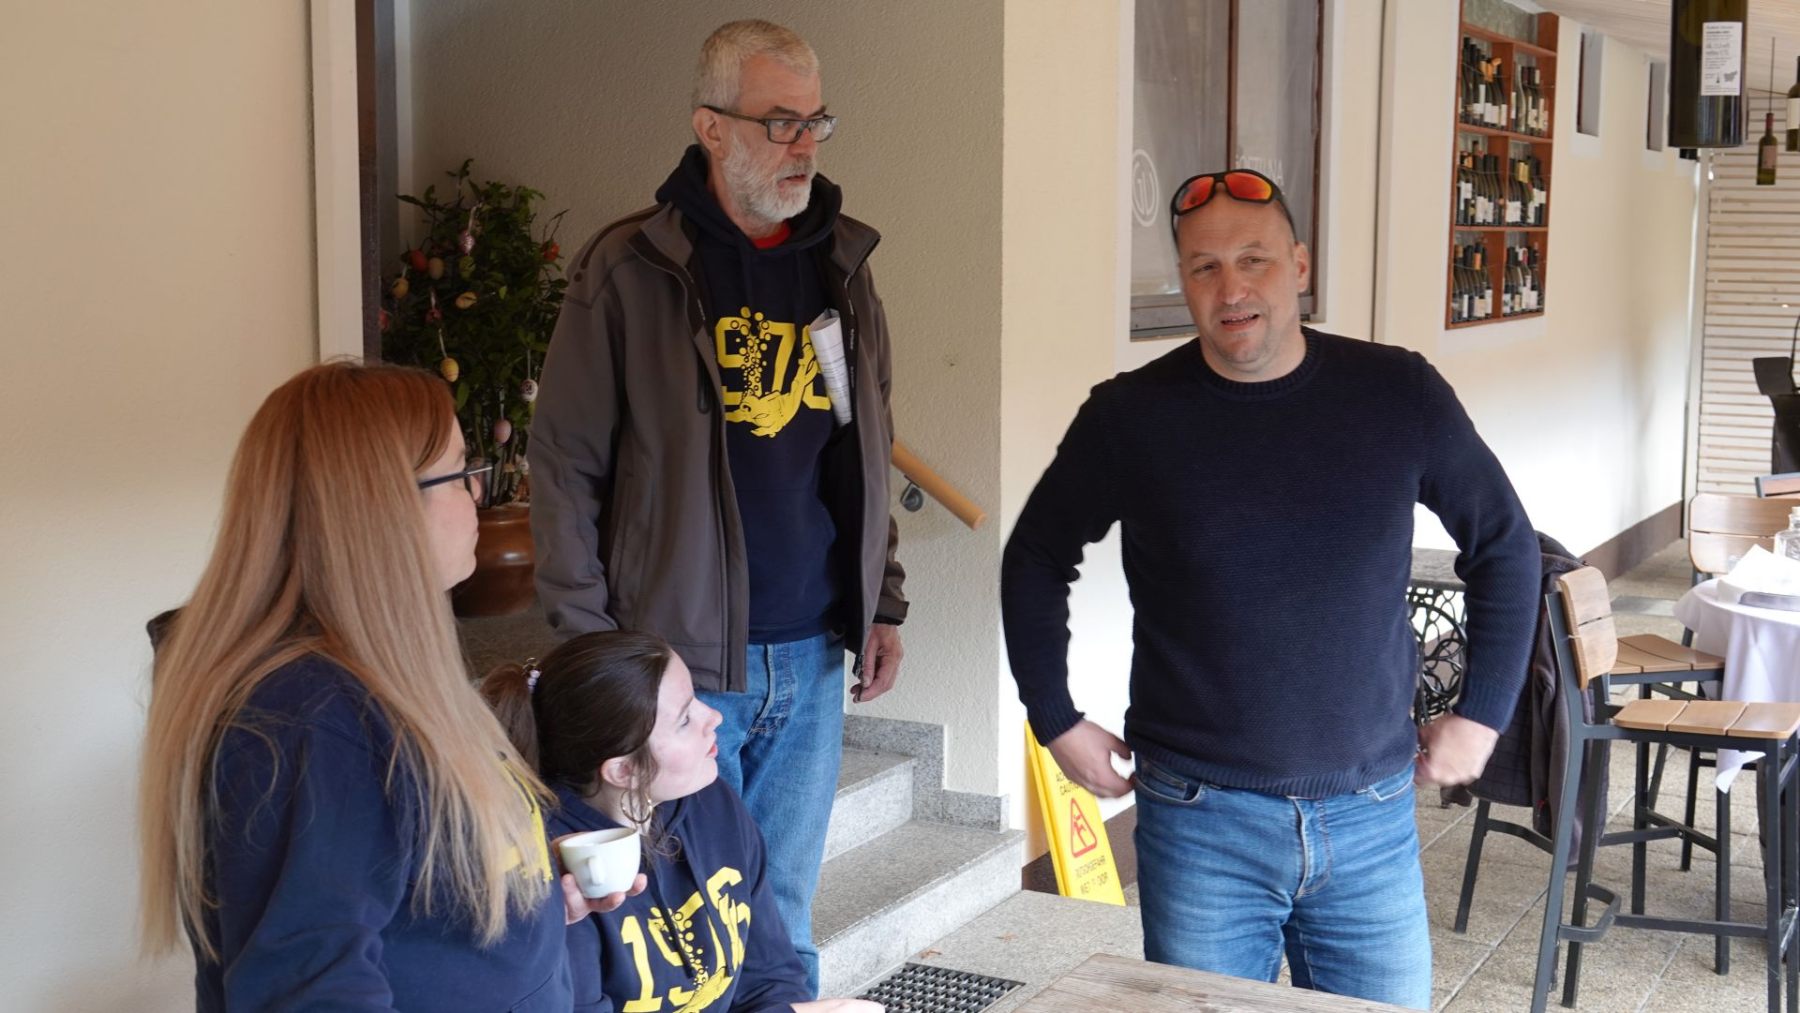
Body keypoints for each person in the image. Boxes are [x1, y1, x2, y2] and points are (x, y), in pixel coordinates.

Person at [1000, 168, 1540, 1010]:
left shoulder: (1397, 392)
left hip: (1370, 814)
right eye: (1204, 267)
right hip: (1199, 819)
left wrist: (1483, 715)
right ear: (1183, 281)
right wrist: (1054, 716)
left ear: (1300, 264)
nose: (1231, 289)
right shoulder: (1131, 416)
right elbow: (1036, 553)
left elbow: (1504, 545)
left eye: (1253, 259)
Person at [530, 19, 906, 989]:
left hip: (812, 653)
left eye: (816, 121)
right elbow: (565, 464)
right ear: (710, 126)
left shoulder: (841, 265)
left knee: (783, 919)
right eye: (780, 122)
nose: (804, 145)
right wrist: (593, 649)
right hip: (677, 667)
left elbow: (864, 448)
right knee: (679, 925)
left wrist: (882, 598)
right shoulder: (631, 268)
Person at [137, 362, 638, 1010]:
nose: (479, 492)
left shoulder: (385, 677)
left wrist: (526, 893)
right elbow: (310, 992)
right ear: (383, 506)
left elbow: (406, 903)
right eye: (461, 472)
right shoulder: (310, 718)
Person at [482, 631, 882, 1013]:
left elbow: (770, 974)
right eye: (685, 719)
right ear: (623, 771)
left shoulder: (713, 805)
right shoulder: (558, 874)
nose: (714, 716)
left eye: (696, 700)